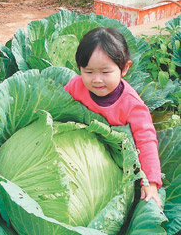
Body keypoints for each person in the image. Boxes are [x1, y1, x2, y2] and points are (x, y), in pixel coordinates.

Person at [64, 27, 162, 207]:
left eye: (105, 72)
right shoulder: (75, 87)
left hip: (114, 169)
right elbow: (54, 107)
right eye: (88, 72)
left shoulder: (132, 106)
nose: (97, 80)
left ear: (125, 68)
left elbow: (146, 142)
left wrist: (151, 183)